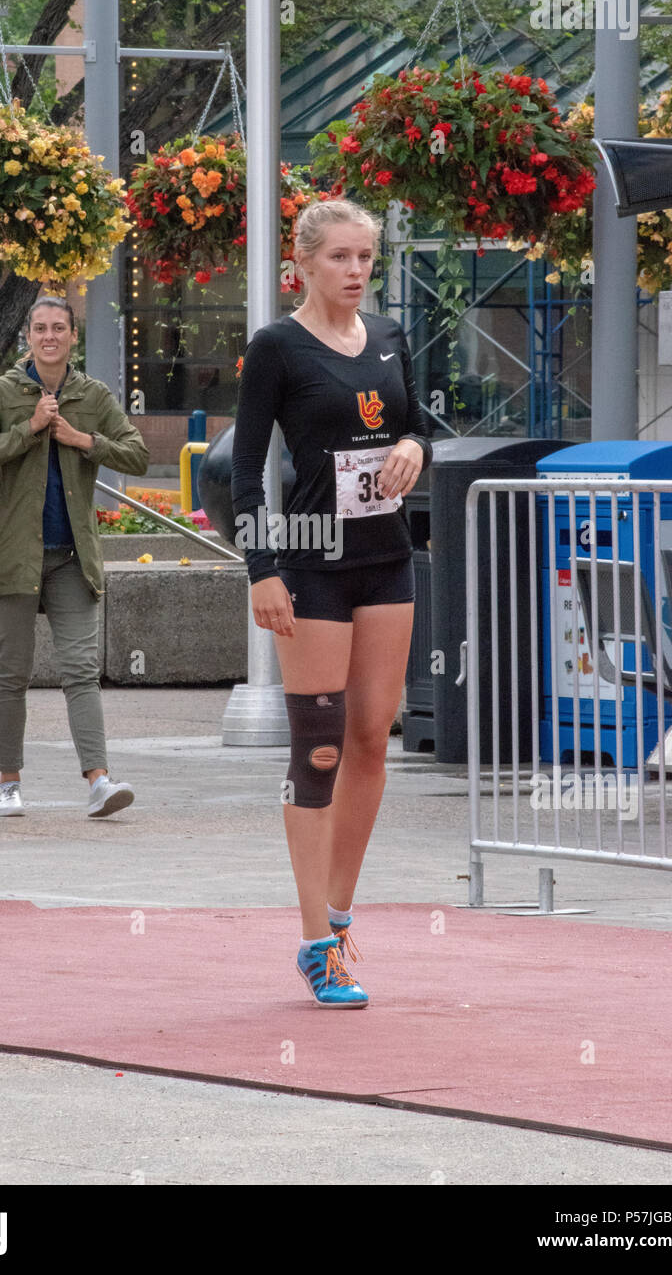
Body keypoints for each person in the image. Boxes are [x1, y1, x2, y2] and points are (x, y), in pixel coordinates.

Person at [232, 198, 432, 1007]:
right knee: (317, 749)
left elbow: (418, 423)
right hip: (310, 563)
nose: (356, 272)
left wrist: (416, 444)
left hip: (387, 560)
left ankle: (341, 914)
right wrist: (261, 569)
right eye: (341, 258)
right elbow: (249, 468)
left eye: (365, 259)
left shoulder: (388, 338)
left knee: (372, 739)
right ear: (304, 264)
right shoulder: (277, 347)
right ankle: (314, 940)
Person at [0, 296, 150, 818]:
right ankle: (9, 783)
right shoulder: (4, 391)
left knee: (81, 671)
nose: (49, 336)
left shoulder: (92, 394)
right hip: (14, 555)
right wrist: (31, 429)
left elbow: (137, 452)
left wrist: (81, 438)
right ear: (28, 337)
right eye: (40, 328)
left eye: (58, 328)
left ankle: (99, 781)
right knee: (12, 673)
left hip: (72, 556)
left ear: (72, 336)